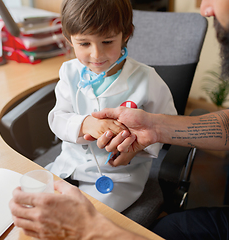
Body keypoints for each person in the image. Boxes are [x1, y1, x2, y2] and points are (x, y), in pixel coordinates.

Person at [10, 0, 229, 239]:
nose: (205, 9)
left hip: (117, 180)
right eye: (84, 43)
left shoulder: (147, 79)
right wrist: (155, 128)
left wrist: (89, 230)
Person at [43, 0, 177, 212]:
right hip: (69, 164)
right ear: (69, 39)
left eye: (107, 42)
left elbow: (168, 126)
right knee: (35, 204)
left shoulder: (147, 79)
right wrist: (85, 124)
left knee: (85, 220)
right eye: (84, 44)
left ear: (126, 34)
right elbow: (58, 117)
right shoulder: (69, 72)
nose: (96, 54)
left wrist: (137, 147)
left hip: (118, 175)